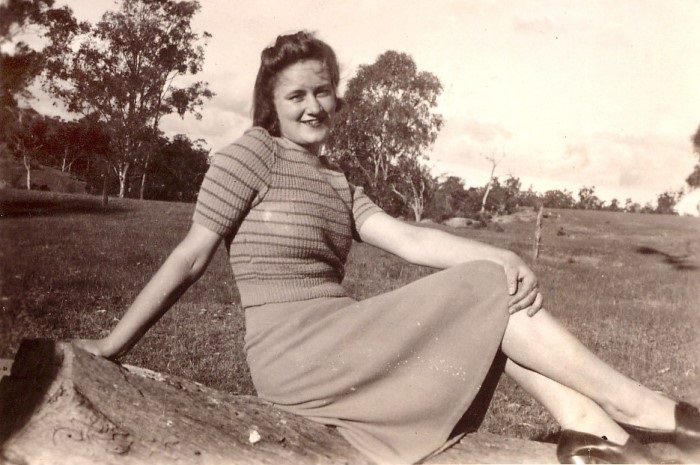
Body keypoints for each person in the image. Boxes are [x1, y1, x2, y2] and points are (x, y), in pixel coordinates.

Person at [75, 31, 700, 464]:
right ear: (271, 104)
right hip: (295, 352)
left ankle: (599, 434)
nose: (312, 106)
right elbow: (190, 256)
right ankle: (645, 410)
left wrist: (501, 257)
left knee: (481, 298)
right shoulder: (249, 156)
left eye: (322, 92)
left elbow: (405, 238)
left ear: (335, 96)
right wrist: (110, 347)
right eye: (296, 96)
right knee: (482, 289)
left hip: (341, 333)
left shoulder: (339, 182)